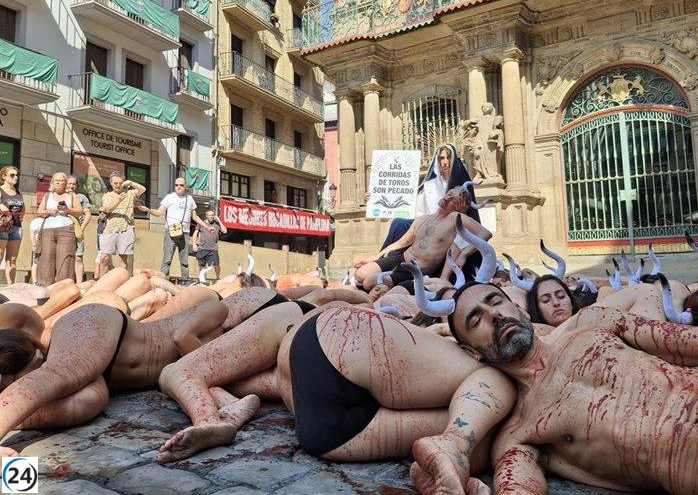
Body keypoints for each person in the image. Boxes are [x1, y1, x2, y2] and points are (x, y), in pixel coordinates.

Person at [414, 278, 698, 494]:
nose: (495, 317)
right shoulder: (518, 435)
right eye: (476, 320)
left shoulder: (594, 321)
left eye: (495, 302)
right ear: (474, 352)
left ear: (516, 307)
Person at [156, 302, 516, 471]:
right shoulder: (262, 372)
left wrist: (211, 415)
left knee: (178, 371)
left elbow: (180, 370)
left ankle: (211, 421)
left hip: (321, 396)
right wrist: (231, 407)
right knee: (486, 427)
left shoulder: (277, 315)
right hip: (323, 390)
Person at [0, 299, 228, 457]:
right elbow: (181, 338)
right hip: (105, 328)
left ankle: (15, 413)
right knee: (60, 374)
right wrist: (216, 375)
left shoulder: (233, 350)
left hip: (108, 366)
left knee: (87, 403)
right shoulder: (220, 310)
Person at [354, 187, 491, 289]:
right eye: (449, 194)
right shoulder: (422, 219)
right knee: (359, 274)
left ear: (459, 206)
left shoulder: (455, 218)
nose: (447, 199)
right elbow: (401, 243)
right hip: (400, 258)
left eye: (453, 200)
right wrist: (373, 257)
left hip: (416, 269)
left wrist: (465, 253)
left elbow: (485, 233)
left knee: (368, 282)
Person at [139, 178, 209, 283]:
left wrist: (206, 227)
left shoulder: (189, 199)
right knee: (167, 259)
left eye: (181, 185)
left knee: (184, 261)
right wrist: (148, 210)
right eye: (176, 185)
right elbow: (159, 212)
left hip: (184, 233)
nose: (178, 187)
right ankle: (162, 281)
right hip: (170, 232)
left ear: (185, 186)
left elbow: (194, 216)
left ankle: (185, 282)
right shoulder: (169, 197)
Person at [35, 172, 83, 287]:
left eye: (61, 180)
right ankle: (45, 288)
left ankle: (63, 288)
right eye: (56, 180)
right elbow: (39, 212)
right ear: (52, 182)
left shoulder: (71, 195)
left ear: (65, 183)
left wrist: (67, 209)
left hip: (66, 230)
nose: (58, 182)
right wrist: (48, 211)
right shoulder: (47, 196)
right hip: (48, 230)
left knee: (65, 259)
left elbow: (80, 211)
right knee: (46, 258)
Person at [99, 172, 146, 276]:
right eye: (115, 183)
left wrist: (131, 182)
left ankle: (120, 282)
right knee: (104, 257)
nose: (118, 185)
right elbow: (106, 209)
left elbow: (143, 189)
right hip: (110, 228)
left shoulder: (129, 193)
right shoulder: (107, 196)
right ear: (111, 183)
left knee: (123, 259)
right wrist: (118, 200)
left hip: (126, 228)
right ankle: (101, 283)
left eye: (120, 183)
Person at [0, 166, 24, 285]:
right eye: (12, 175)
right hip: (2, 227)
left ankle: (11, 286)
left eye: (17, 175)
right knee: (0, 255)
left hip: (16, 227)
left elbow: (23, 208)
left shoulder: (18, 191)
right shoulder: (0, 190)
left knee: (12, 259)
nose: (16, 177)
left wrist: (21, 217)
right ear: (4, 176)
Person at [66, 175, 92, 282]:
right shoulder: (61, 196)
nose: (71, 186)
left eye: (73, 184)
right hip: (64, 230)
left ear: (76, 186)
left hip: (77, 231)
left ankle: (79, 283)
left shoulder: (82, 197)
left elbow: (88, 214)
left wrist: (81, 228)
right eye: (69, 183)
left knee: (78, 258)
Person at [192, 209, 227, 279]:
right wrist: (194, 244)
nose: (211, 217)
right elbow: (195, 233)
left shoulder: (217, 224)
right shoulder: (201, 223)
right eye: (209, 215)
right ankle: (201, 279)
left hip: (213, 249)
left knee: (216, 265)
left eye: (212, 215)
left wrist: (219, 221)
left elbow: (225, 231)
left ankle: (217, 278)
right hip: (202, 248)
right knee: (201, 266)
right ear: (206, 216)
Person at [27, 217, 43, 286]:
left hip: (48, 245)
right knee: (36, 262)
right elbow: (32, 233)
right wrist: (33, 245)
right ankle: (34, 281)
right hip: (38, 245)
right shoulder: (35, 221)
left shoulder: (50, 220)